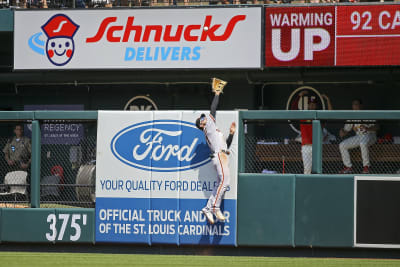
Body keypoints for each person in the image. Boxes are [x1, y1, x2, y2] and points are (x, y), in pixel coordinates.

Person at [195, 86, 234, 225]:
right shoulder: (207, 126)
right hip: (219, 157)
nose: (204, 117)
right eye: (202, 118)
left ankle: (207, 208)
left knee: (220, 184)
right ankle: (215, 208)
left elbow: (226, 146)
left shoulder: (214, 129)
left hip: (222, 156)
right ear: (201, 124)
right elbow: (213, 109)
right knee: (225, 182)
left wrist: (231, 134)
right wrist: (217, 94)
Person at [339, 99, 378, 174]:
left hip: (370, 135)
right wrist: (342, 132)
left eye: (356, 104)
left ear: (361, 106)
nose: (355, 106)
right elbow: (346, 131)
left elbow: (377, 126)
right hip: (359, 137)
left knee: (363, 143)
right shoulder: (352, 116)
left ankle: (366, 167)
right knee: (342, 145)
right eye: (353, 104)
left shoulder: (367, 114)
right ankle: (348, 167)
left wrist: (368, 128)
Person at [300, 93, 332, 174]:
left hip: (317, 147)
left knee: (318, 170)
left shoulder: (320, 117)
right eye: (310, 105)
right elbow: (292, 111)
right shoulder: (303, 116)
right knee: (307, 170)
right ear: (308, 106)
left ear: (316, 106)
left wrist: (327, 100)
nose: (312, 106)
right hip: (306, 146)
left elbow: (330, 113)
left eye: (313, 105)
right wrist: (299, 97)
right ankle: (306, 186)